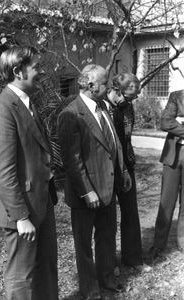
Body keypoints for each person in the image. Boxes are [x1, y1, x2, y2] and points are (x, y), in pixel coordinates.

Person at [0, 46, 58, 300]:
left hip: (41, 200)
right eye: (36, 67)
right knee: (21, 276)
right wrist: (20, 216)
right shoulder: (2, 109)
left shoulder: (27, 103)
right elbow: (3, 171)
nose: (41, 71)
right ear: (18, 71)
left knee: (46, 268)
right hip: (22, 209)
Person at [58, 64, 131, 300]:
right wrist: (87, 192)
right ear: (90, 85)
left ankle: (107, 281)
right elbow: (72, 160)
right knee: (84, 245)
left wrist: (123, 171)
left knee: (107, 238)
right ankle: (90, 290)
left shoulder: (103, 107)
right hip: (86, 194)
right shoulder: (70, 114)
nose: (108, 86)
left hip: (108, 188)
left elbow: (114, 143)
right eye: (104, 82)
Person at [107, 73, 151, 272]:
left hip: (127, 167)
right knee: (107, 219)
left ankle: (132, 259)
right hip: (108, 168)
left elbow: (126, 139)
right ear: (118, 90)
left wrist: (127, 164)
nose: (135, 99)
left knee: (131, 212)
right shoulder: (103, 107)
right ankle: (109, 264)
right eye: (132, 94)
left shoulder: (128, 106)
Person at [150, 89, 184, 259]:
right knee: (166, 202)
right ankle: (158, 244)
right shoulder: (177, 96)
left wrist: (179, 121)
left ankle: (182, 242)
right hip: (173, 157)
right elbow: (165, 122)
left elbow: (173, 123)